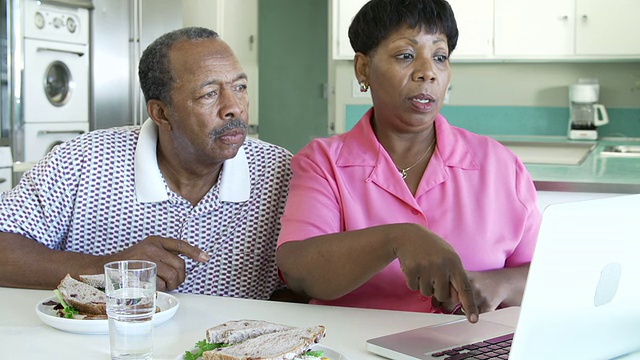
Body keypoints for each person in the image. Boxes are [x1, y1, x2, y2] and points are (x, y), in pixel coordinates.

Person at [276, 0, 542, 323]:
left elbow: (548, 273)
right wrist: (398, 239)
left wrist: (500, 283)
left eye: (440, 57)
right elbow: (298, 270)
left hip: (468, 349)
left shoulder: (501, 166)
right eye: (406, 55)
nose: (427, 72)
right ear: (363, 69)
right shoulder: (323, 163)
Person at [0, 27, 293, 300]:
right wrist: (107, 270)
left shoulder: (282, 173)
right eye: (210, 94)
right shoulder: (82, 161)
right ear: (161, 113)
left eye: (240, 87)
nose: (234, 108)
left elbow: (303, 290)